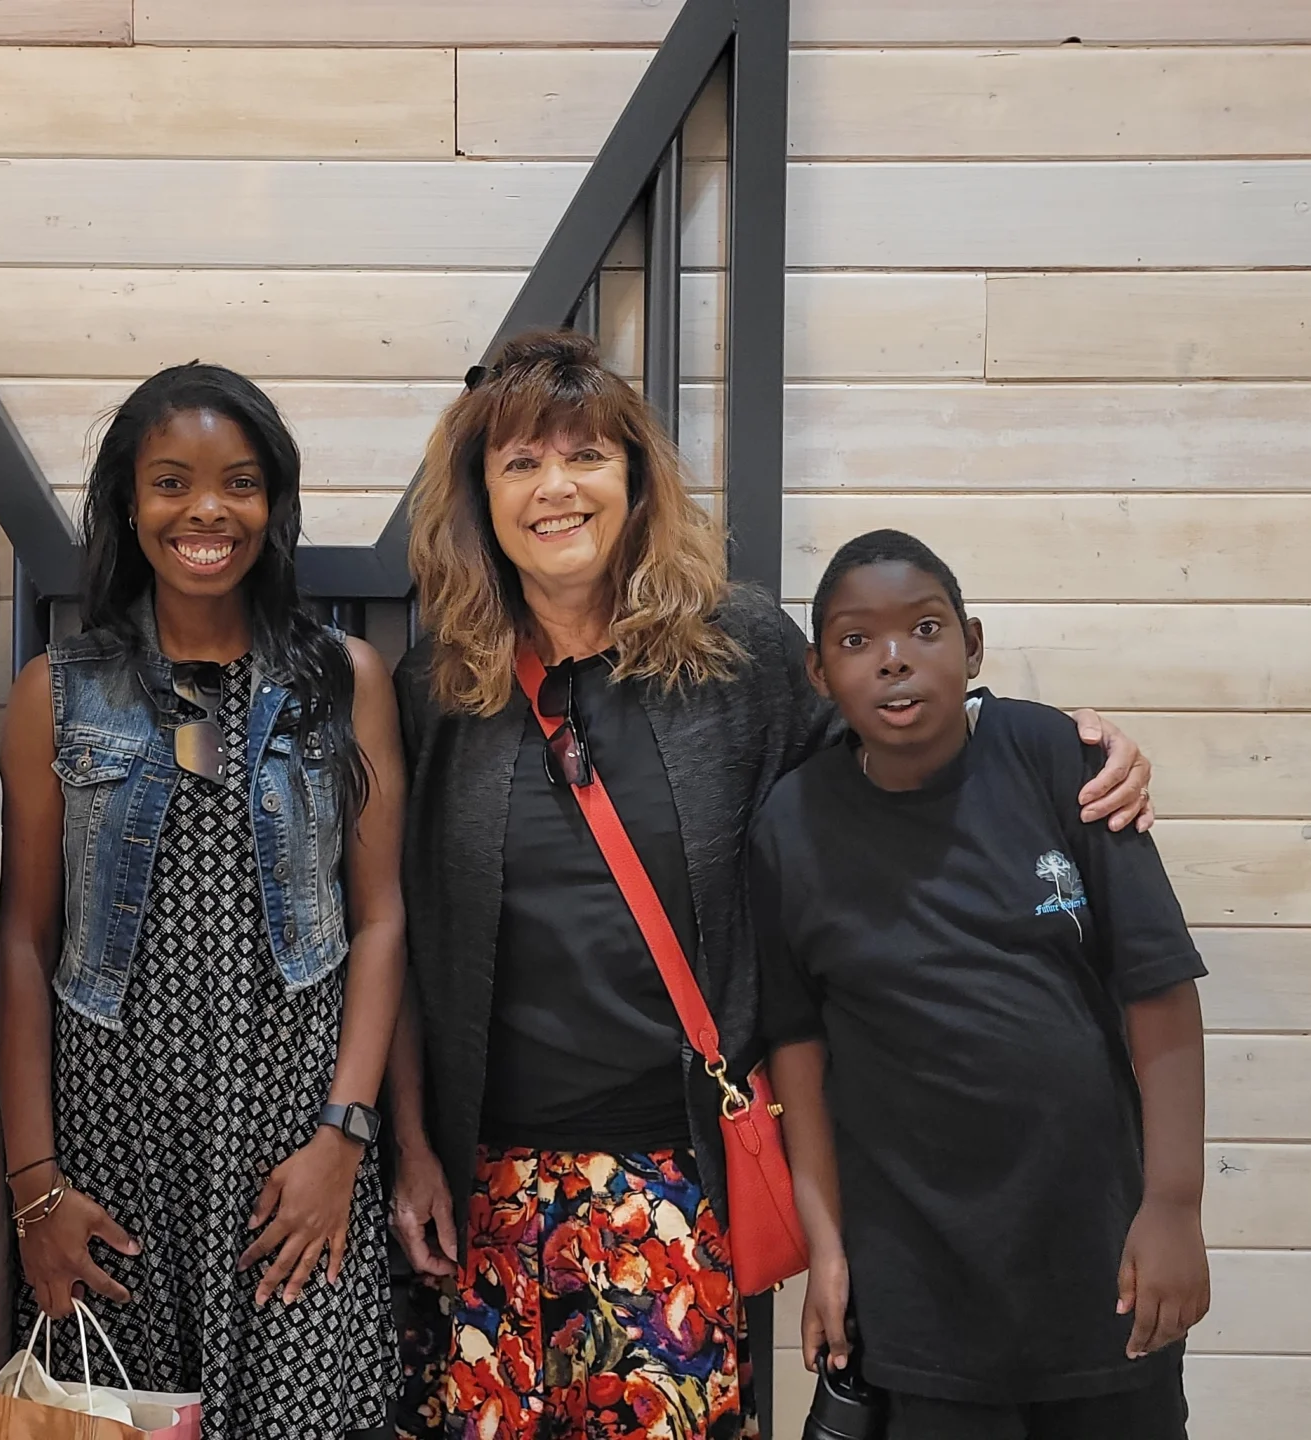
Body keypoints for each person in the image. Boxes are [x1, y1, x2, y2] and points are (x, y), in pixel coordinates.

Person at [383, 331, 1159, 1439]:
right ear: (481, 498)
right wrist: (413, 1146)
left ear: (635, 482)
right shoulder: (439, 683)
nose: (555, 487)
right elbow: (407, 934)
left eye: (587, 457)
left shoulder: (733, 649)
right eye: (519, 464)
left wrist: (1053, 744)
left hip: (680, 1179)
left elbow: (886, 756)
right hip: (483, 1193)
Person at [0, 363, 409, 1439]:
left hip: (296, 1150)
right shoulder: (57, 691)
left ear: (273, 505)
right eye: (171, 483)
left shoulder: (344, 679)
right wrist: (35, 1186)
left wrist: (343, 1141)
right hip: (114, 1154)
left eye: (239, 483)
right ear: (130, 507)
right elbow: (24, 944)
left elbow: (380, 920)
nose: (206, 511)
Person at [757, 530, 1211, 1440]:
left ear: (972, 642)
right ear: (817, 673)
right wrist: (826, 1247)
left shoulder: (1057, 759)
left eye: (924, 629)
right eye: (855, 642)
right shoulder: (791, 824)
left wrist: (1174, 1206)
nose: (894, 660)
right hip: (915, 1284)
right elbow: (796, 1051)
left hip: (1098, 1261)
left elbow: (1159, 989)